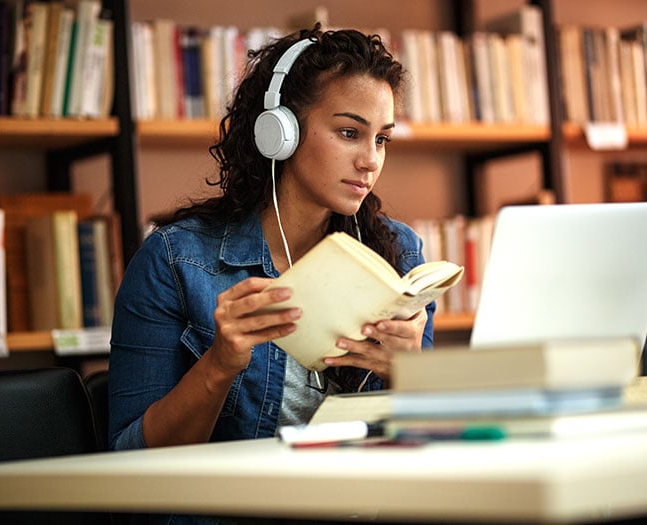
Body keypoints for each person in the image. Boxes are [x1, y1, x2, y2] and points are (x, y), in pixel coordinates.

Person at [109, 26, 435, 455]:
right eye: (349, 133)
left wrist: (406, 375)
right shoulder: (173, 262)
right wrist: (219, 365)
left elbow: (424, 446)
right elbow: (130, 456)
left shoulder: (401, 255)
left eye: (382, 139)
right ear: (281, 132)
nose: (370, 161)